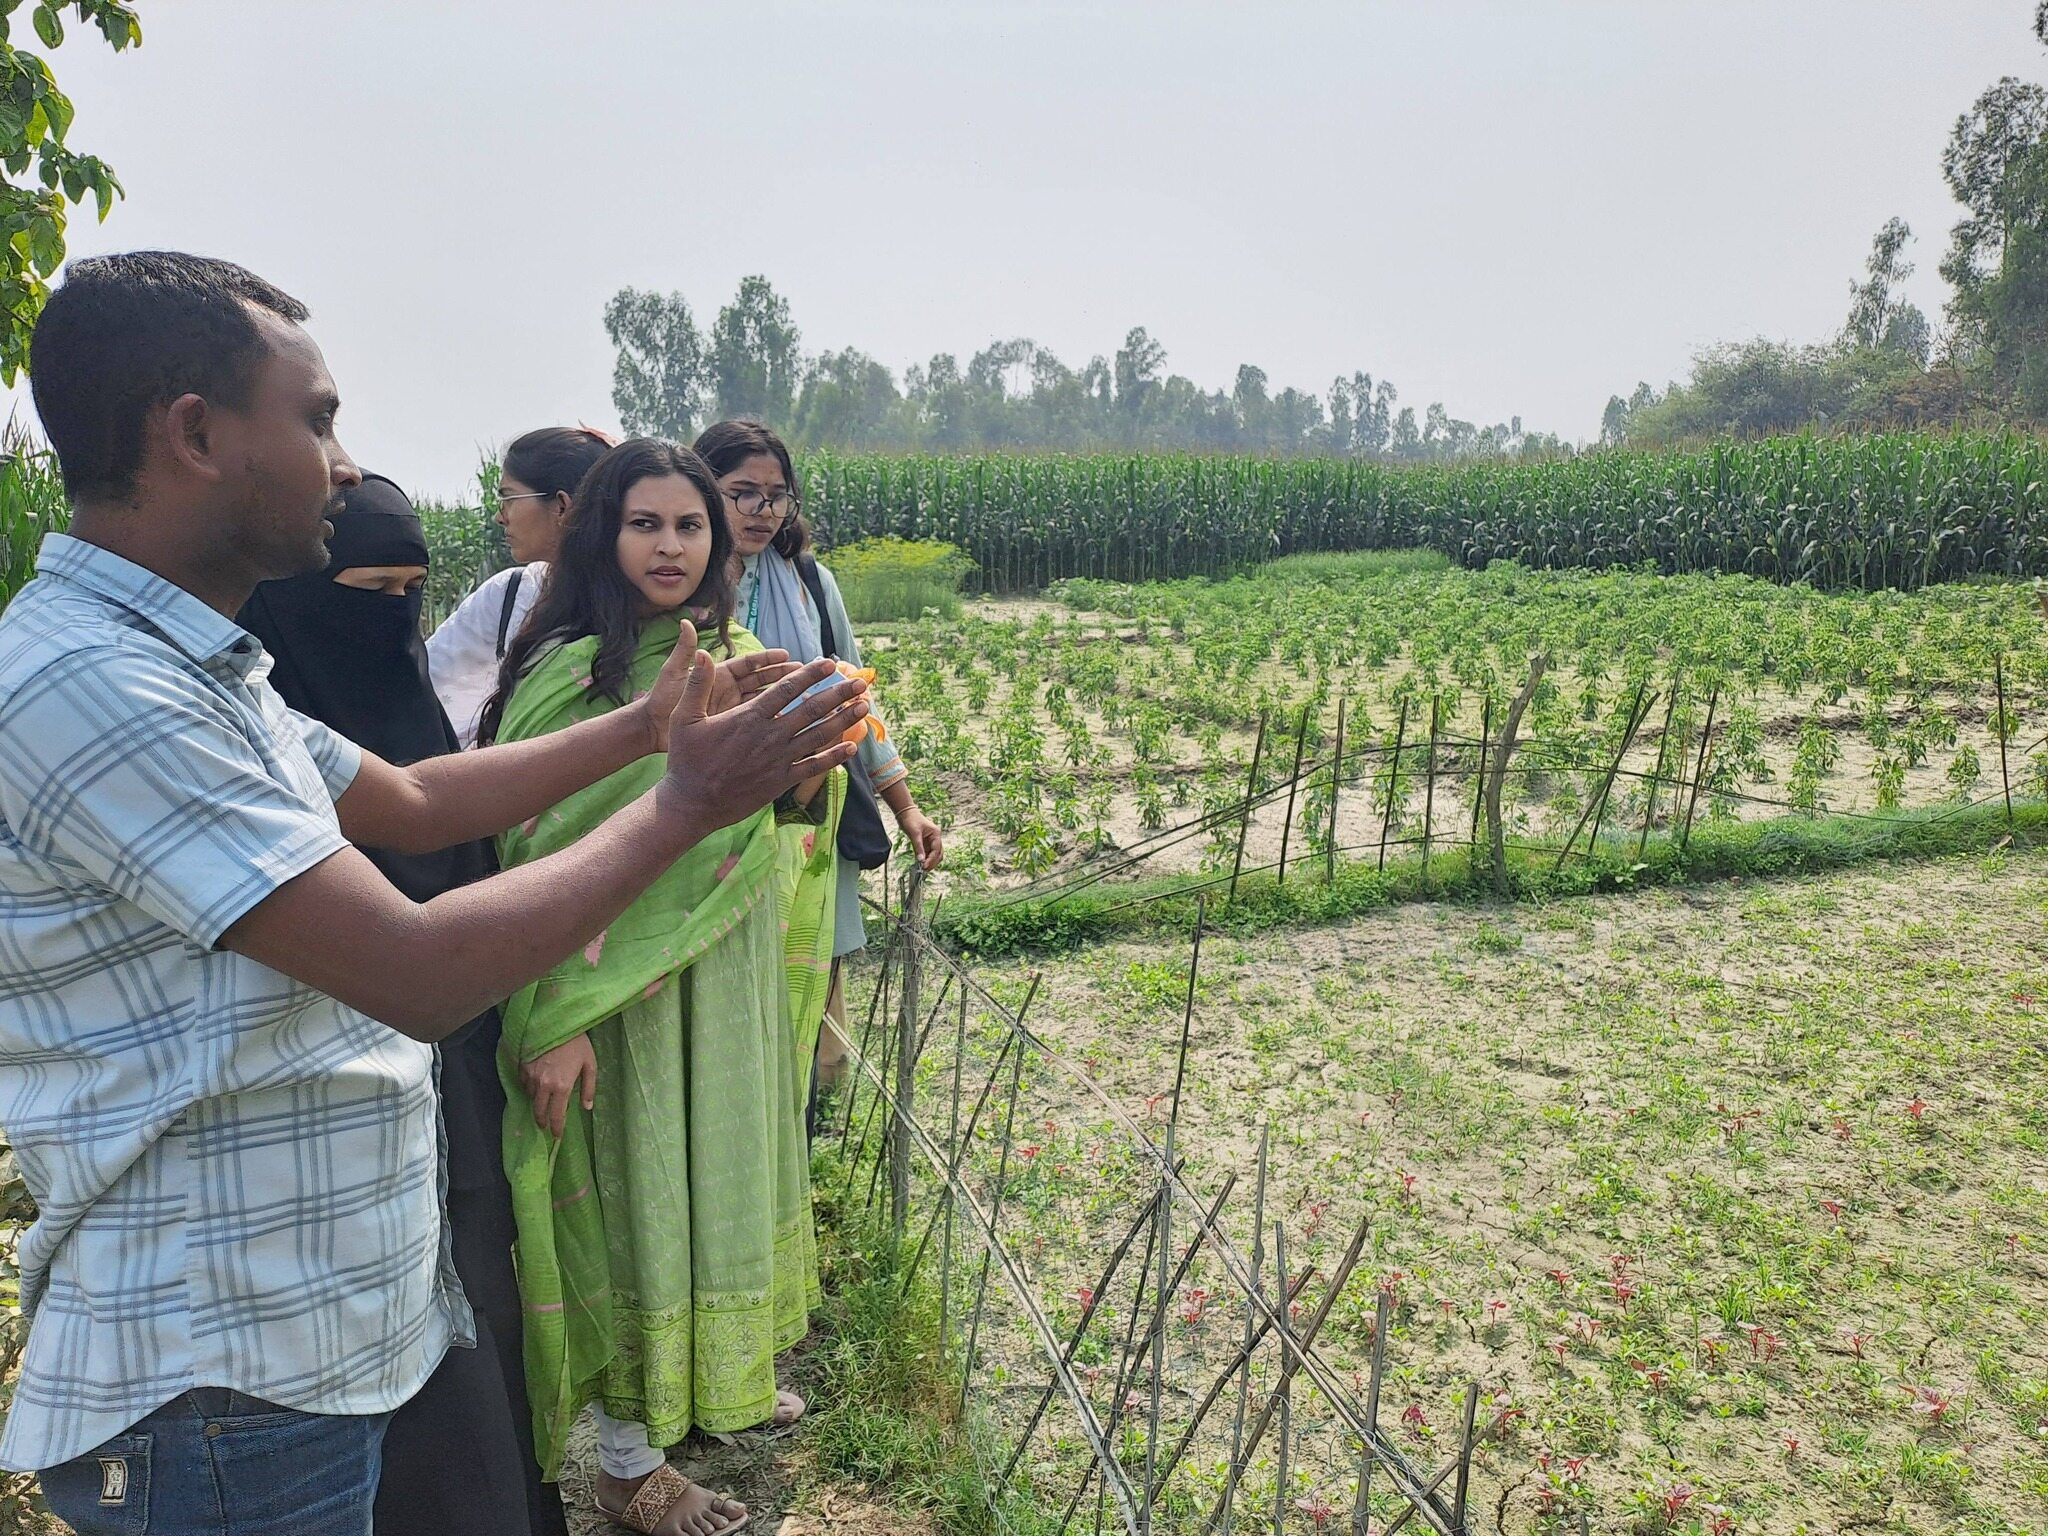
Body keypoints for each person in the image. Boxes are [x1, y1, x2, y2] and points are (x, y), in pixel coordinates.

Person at [0, 252, 867, 1536]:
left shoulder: (193, 668)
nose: (345, 466)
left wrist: (648, 731)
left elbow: (411, 800)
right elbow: (413, 971)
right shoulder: (98, 688)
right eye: (317, 419)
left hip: (296, 1341)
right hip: (221, 1376)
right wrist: (689, 803)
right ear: (195, 434)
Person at [479, 438, 826, 1536]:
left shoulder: (739, 652)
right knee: (639, 1201)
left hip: (720, 978)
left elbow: (767, 815)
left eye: (689, 526)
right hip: (611, 998)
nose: (670, 547)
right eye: (645, 524)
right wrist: (553, 1013)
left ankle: (709, 1388)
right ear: (602, 533)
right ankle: (628, 1466)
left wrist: (805, 763)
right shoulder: (572, 671)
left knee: (712, 1179)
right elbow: (527, 849)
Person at [236, 474, 567, 1536]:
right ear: (296, 603)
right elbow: (407, 955)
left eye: (411, 593)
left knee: (478, 1315)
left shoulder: (405, 716)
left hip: (457, 1075)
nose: (393, 617)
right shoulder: (252, 738)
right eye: (367, 591)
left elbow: (433, 814)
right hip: (324, 1120)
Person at [694, 420, 944, 1097]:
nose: (762, 510)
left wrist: (907, 808)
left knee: (812, 956)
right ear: (702, 489)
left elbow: (855, 698)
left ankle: (805, 1103)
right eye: (742, 492)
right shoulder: (679, 583)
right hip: (713, 817)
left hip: (811, 815)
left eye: (777, 495)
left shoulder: (809, 582)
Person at [428, 426, 611, 747]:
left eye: (509, 498)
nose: (501, 517)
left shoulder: (640, 604)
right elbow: (425, 673)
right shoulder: (510, 593)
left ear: (561, 506)